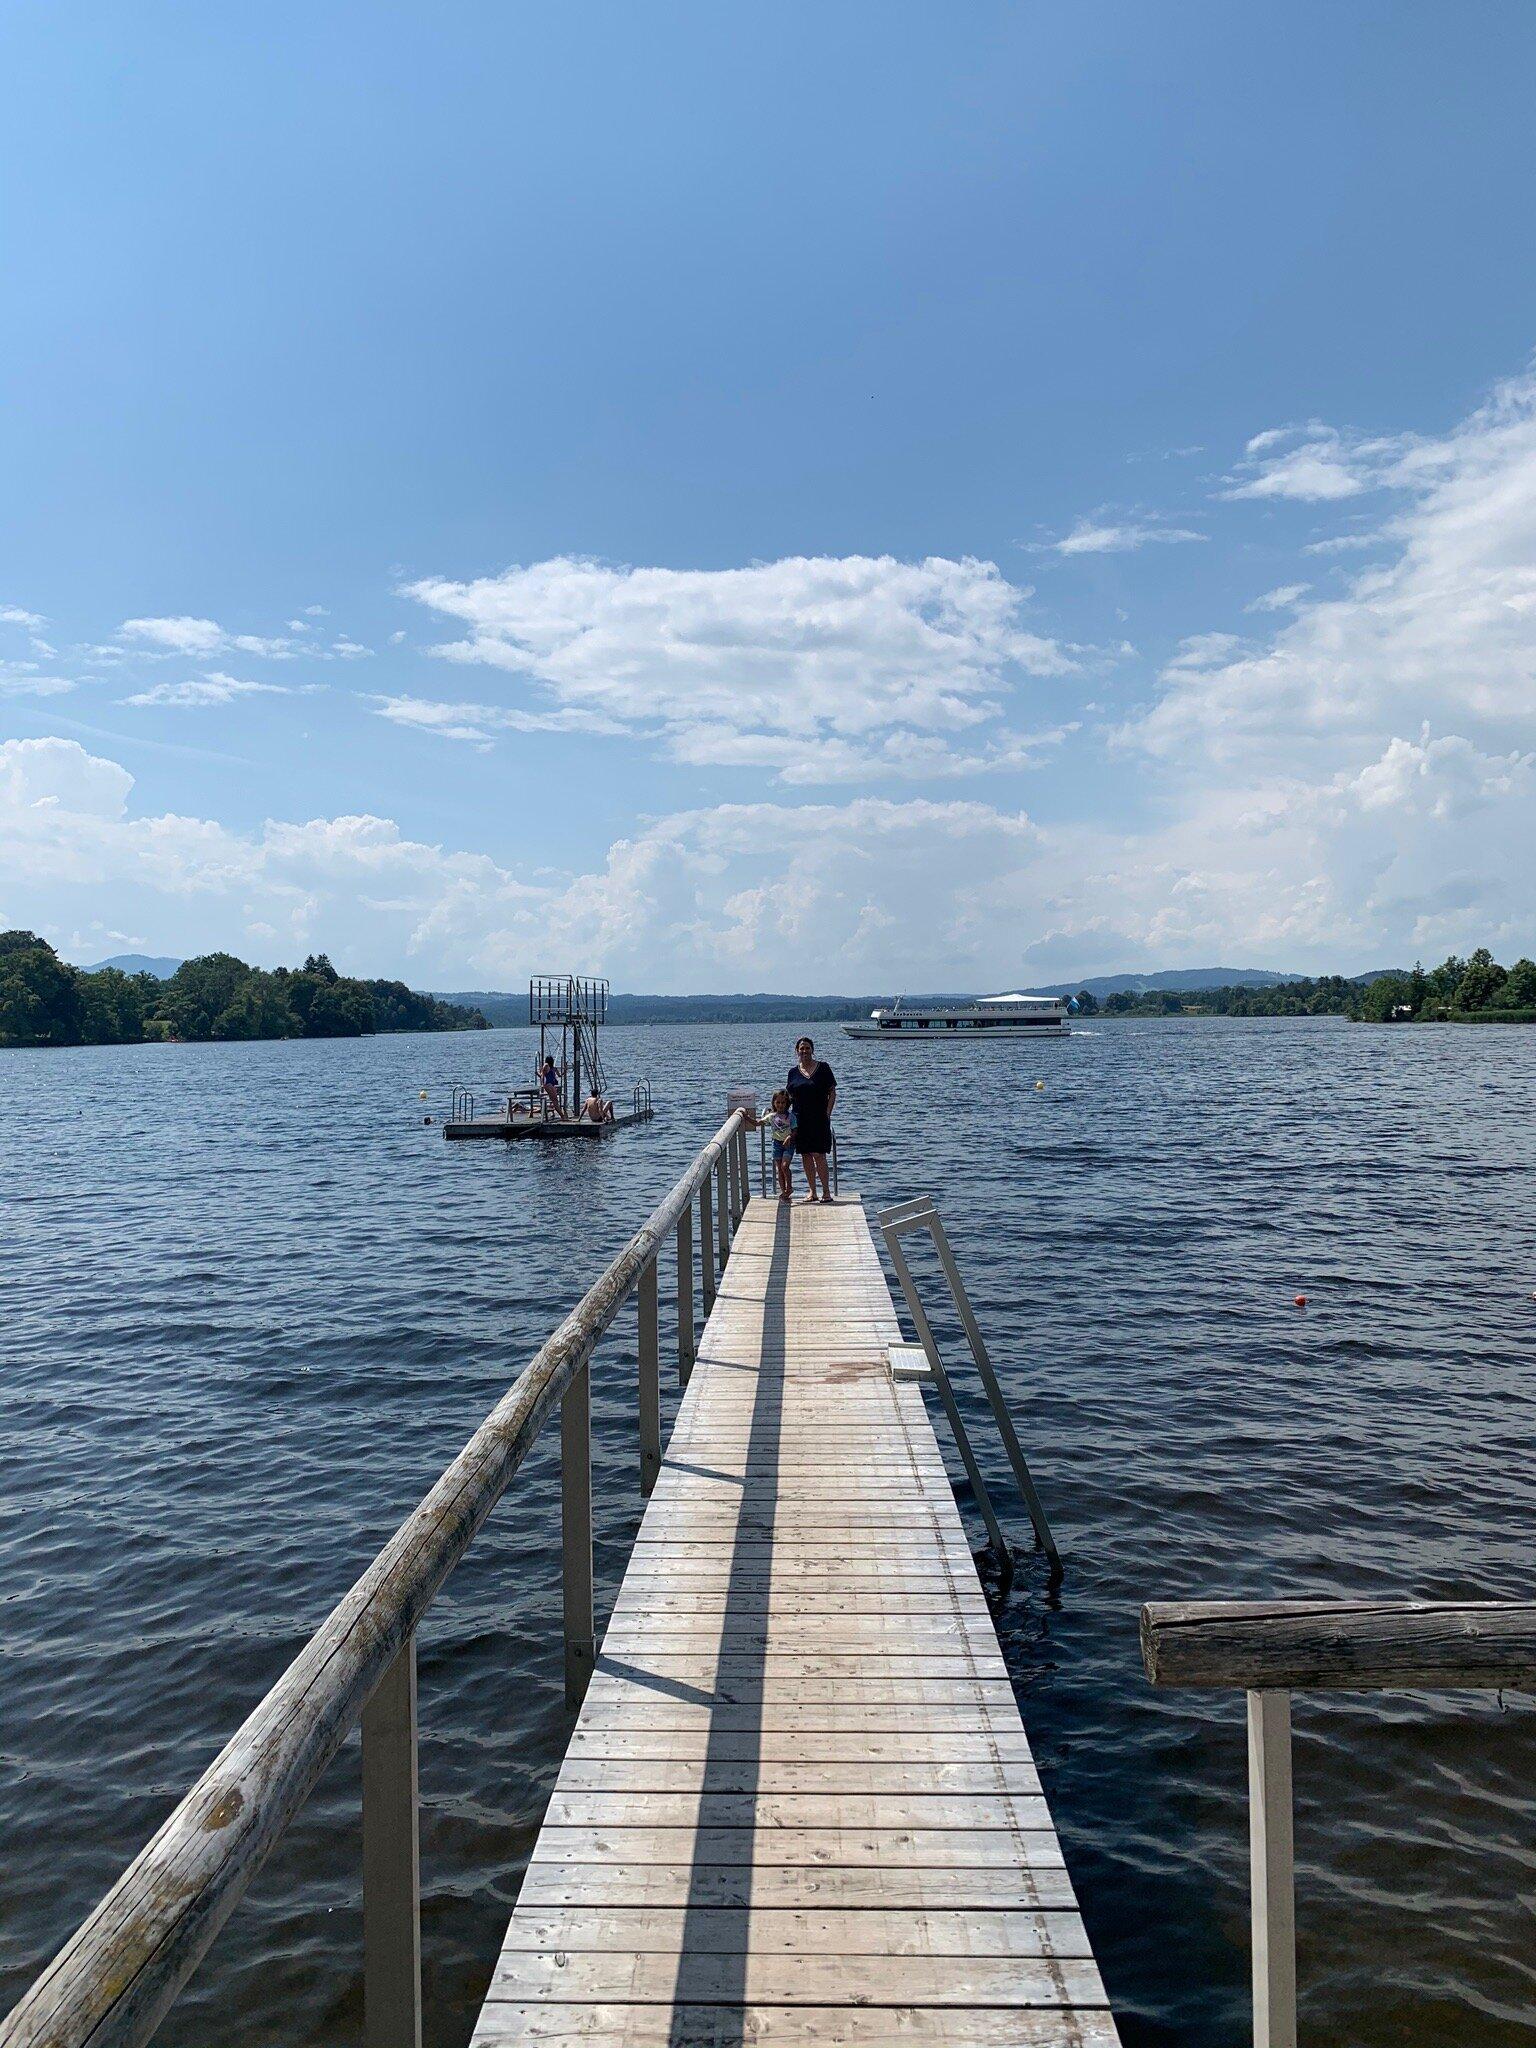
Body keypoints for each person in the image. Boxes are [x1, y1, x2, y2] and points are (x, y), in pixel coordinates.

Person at [786, 1036, 836, 1203]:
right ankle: (812, 1192)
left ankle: (826, 1192)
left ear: (812, 1050)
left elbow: (832, 1092)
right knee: (806, 1155)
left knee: (819, 1155)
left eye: (807, 1048)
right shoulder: (792, 1073)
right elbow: (788, 1098)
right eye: (801, 1048)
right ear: (797, 1051)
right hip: (800, 1120)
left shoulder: (823, 1068)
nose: (804, 1051)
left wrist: (828, 1114)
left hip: (819, 1119)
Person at [763, 1088, 794, 1201]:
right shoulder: (772, 1116)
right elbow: (758, 1122)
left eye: (783, 1102)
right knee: (779, 1169)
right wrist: (745, 1116)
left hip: (788, 1143)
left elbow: (795, 1130)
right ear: (774, 1103)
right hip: (776, 1144)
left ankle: (789, 1187)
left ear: (787, 1103)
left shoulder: (790, 1116)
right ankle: (784, 1192)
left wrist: (790, 1137)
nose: (780, 1105)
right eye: (778, 1102)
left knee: (785, 1166)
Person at [539, 1054, 563, 1118]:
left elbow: (559, 1075)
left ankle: (561, 1115)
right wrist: (543, 1084)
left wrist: (565, 1070)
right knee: (554, 1100)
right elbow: (542, 1075)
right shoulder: (546, 1066)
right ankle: (562, 1116)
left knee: (555, 1100)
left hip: (552, 1085)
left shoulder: (553, 1068)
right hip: (548, 1084)